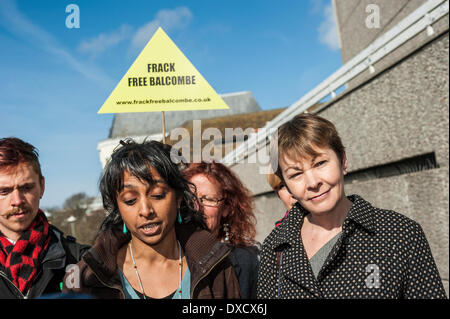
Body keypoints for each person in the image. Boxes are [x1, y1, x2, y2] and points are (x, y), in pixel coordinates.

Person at [257, 113, 447, 299]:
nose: (312, 182)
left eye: (320, 163)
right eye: (296, 174)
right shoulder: (273, 248)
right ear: (286, 185)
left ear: (343, 161)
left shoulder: (400, 234)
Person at [63, 139, 241, 299]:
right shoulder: (85, 278)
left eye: (157, 195)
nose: (145, 210)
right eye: (130, 200)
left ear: (178, 198)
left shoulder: (214, 263)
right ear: (118, 207)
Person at [0, 137, 89, 299]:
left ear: (42, 186)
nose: (17, 200)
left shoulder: (80, 261)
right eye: (4, 191)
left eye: (26, 187)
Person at [182, 161, 259, 299]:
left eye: (209, 199)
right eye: (191, 198)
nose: (197, 207)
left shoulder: (246, 261)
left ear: (226, 208)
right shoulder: (169, 255)